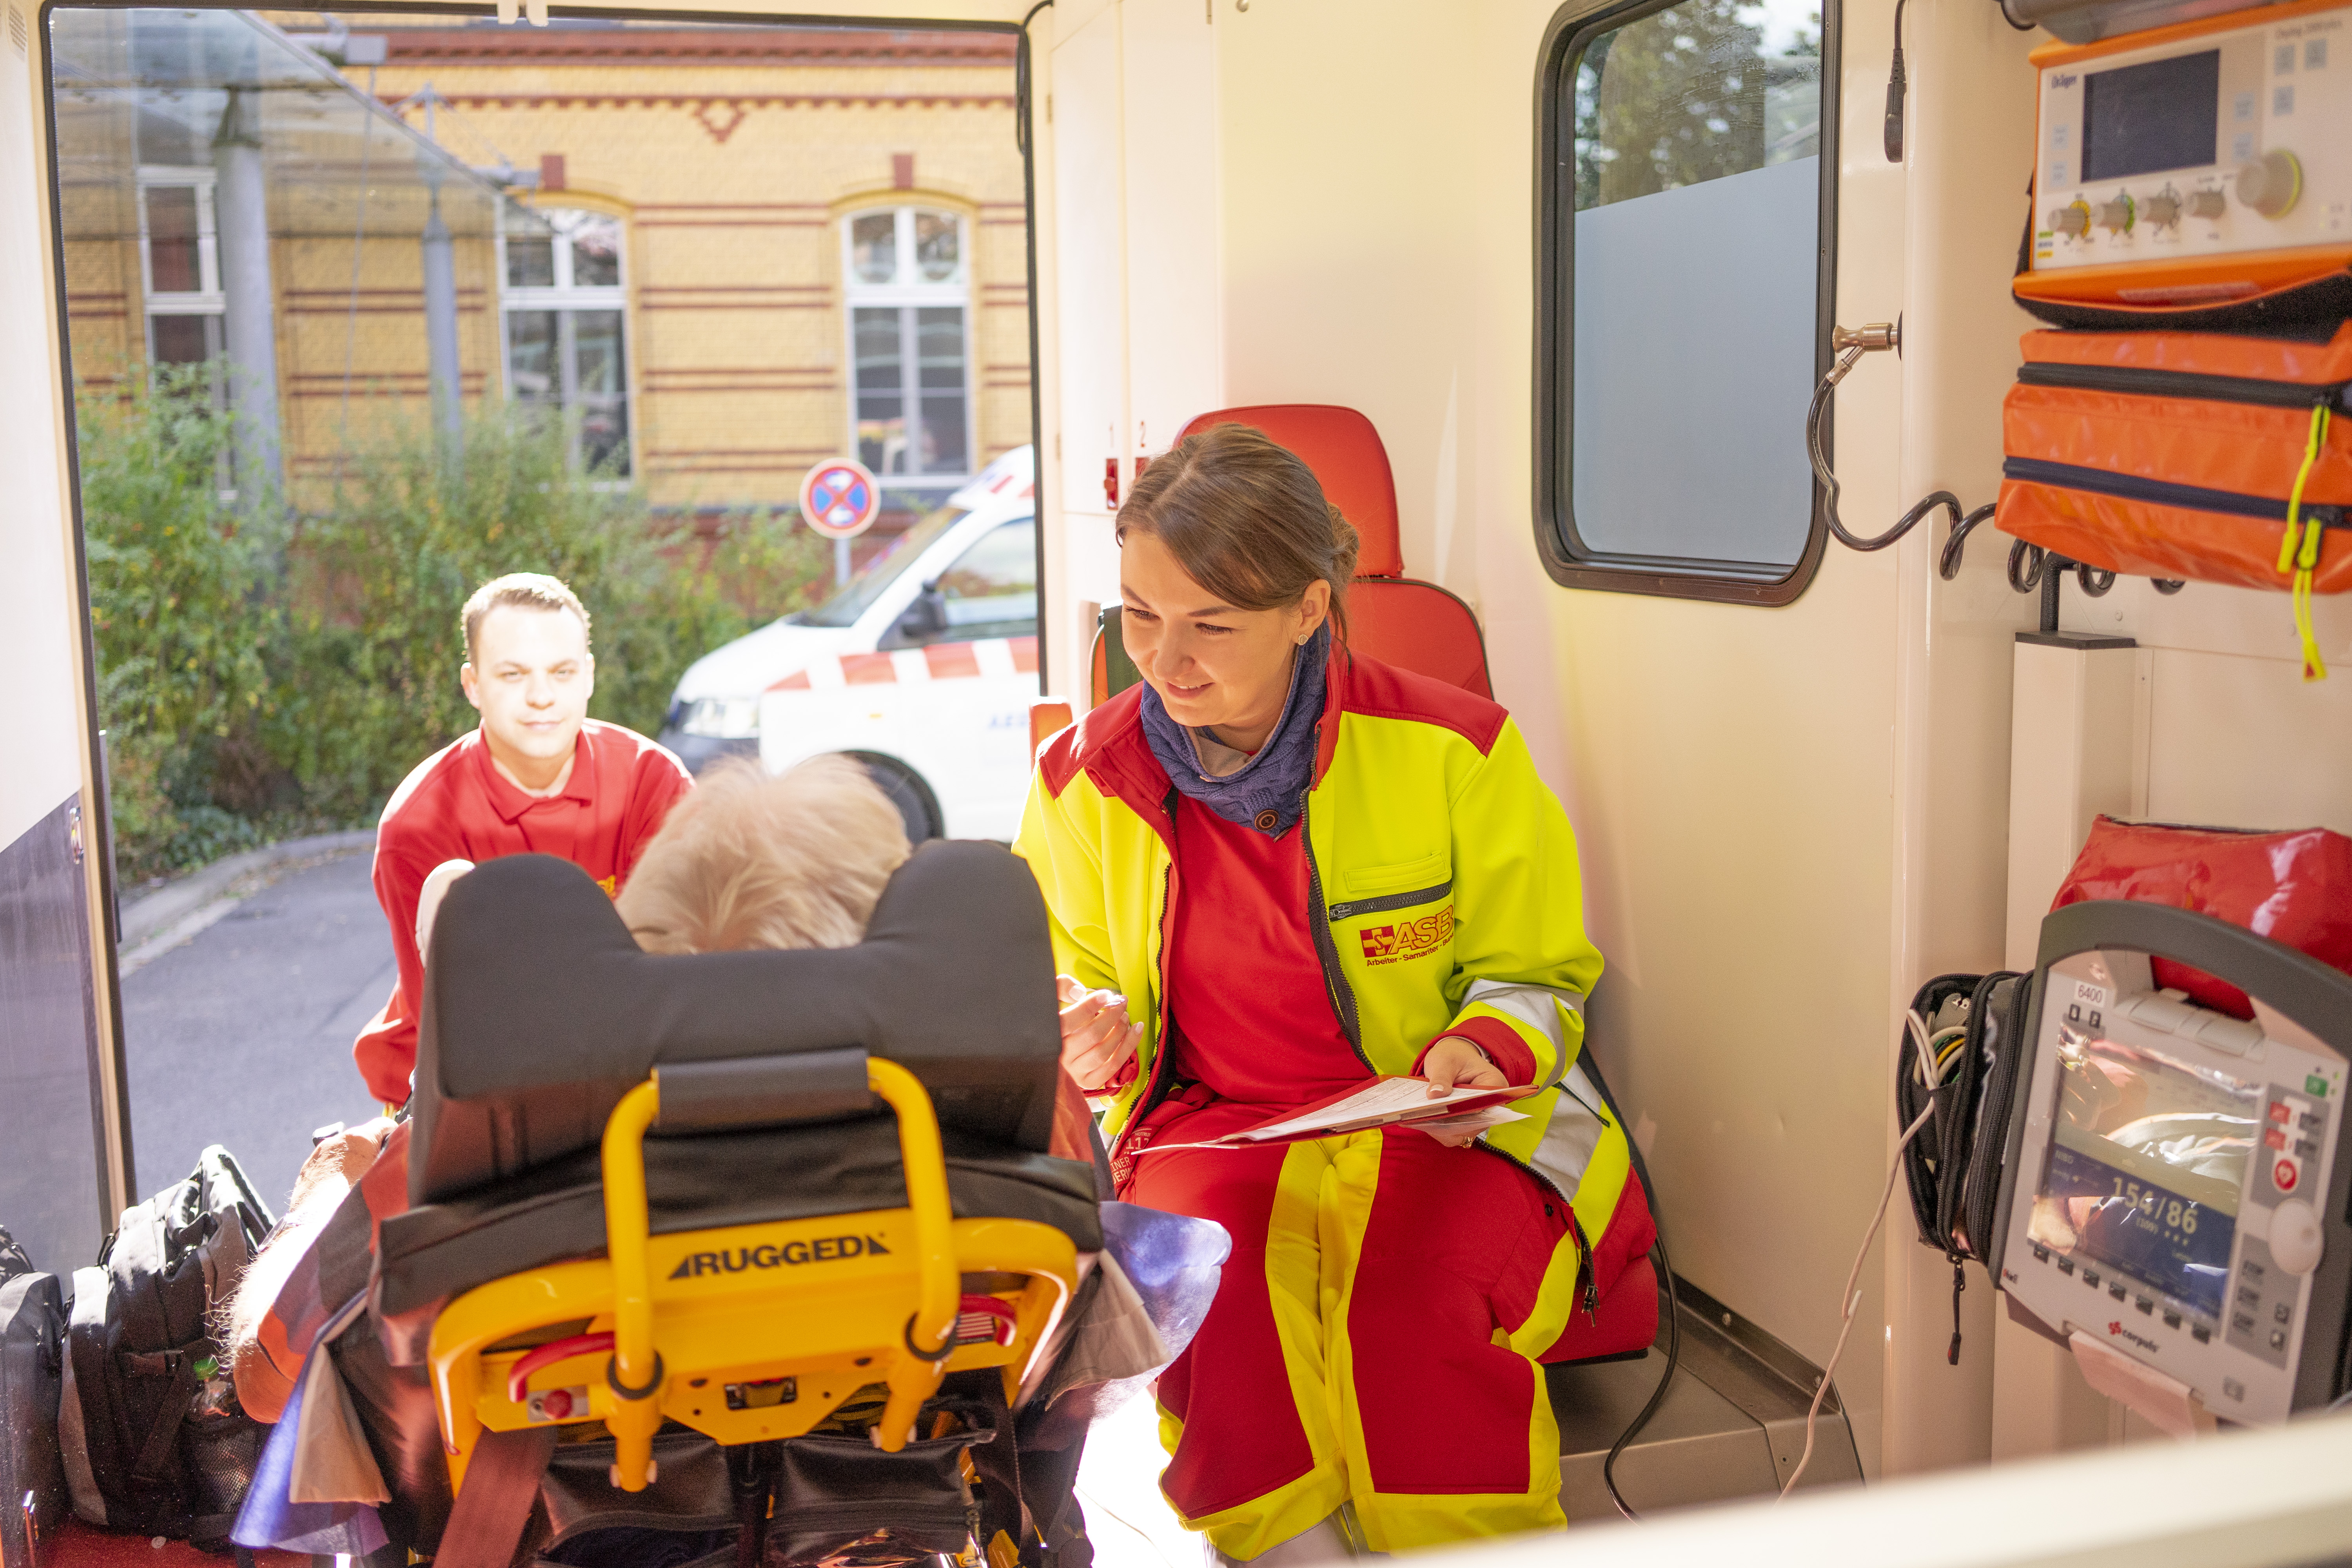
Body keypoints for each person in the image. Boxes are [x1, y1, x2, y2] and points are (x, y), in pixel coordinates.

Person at [1014, 425, 1655, 1561]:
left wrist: (1485, 1052)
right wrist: (1085, 1033)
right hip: (1210, 1122)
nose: (1166, 658)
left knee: (1414, 1301)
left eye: (1214, 623)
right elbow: (1072, 990)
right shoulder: (1079, 782)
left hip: (1453, 1118)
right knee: (1213, 1285)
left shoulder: (1455, 749)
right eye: (1141, 613)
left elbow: (1540, 977)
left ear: (1311, 609)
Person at [350, 573, 692, 1105]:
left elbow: (673, 978)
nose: (541, 697)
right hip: (459, 1080)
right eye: (513, 674)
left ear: (589, 677)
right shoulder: (419, 824)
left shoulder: (655, 783)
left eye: (562, 672)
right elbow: (450, 1024)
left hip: (625, 1056)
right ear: (473, 685)